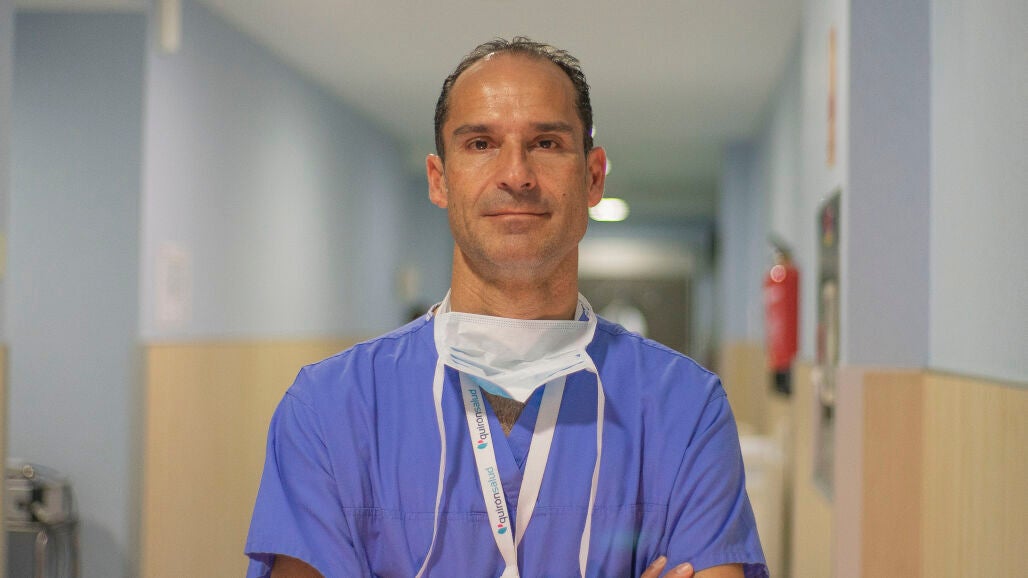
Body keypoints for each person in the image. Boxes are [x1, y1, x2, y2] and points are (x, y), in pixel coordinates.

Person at [245, 37, 767, 578]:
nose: (516, 174)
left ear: (592, 177)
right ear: (439, 180)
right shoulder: (329, 410)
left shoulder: (686, 409)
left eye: (546, 143)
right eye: (480, 143)